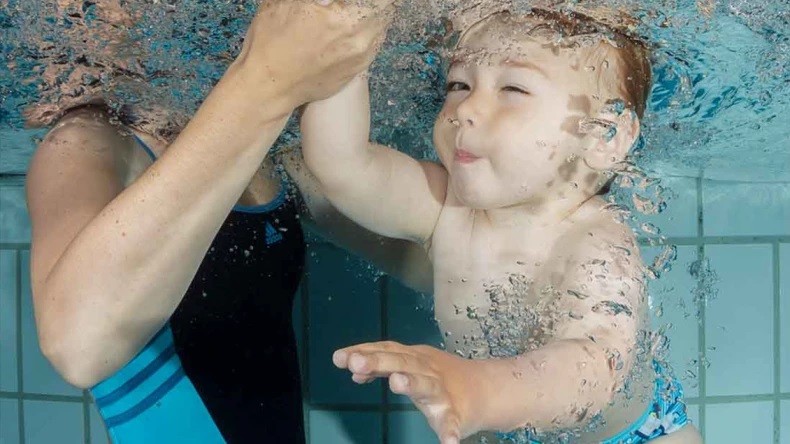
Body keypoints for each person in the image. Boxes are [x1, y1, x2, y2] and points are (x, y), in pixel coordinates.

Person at [24, 0, 431, 442]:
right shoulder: (84, 143)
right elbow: (78, 347)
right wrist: (268, 78)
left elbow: (430, 264)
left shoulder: (270, 156)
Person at [300, 7, 703, 444]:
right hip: (489, 415)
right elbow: (343, 168)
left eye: (512, 87)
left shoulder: (596, 242)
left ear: (604, 134)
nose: (466, 107)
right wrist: (344, 36)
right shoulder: (447, 205)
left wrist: (478, 389)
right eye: (458, 84)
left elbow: (596, 368)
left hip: (635, 436)